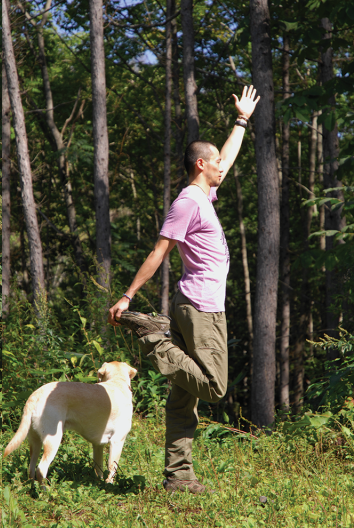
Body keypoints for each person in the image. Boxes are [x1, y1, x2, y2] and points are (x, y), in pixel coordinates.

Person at [108, 85, 260, 494]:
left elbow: (228, 155)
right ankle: (154, 340)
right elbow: (159, 252)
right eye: (215, 165)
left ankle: (178, 478)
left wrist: (241, 120)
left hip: (197, 304)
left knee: (181, 401)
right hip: (200, 307)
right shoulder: (188, 202)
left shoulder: (205, 193)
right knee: (214, 386)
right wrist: (128, 295)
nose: (222, 169)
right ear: (199, 165)